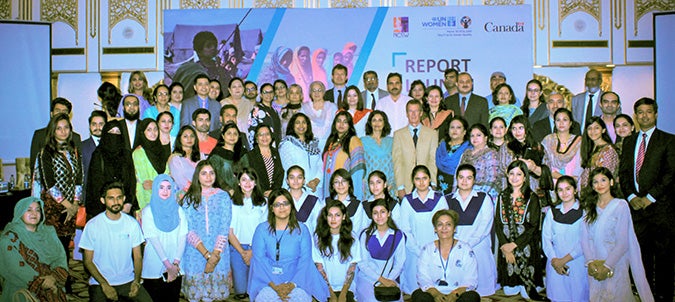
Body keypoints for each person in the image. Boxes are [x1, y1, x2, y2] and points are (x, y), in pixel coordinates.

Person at [618, 97, 675, 301]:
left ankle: (664, 296)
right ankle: (646, 295)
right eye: (640, 112)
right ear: (636, 115)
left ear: (656, 114)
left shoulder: (669, 140)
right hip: (636, 210)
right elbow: (623, 173)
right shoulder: (630, 141)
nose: (644, 116)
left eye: (648, 112)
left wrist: (649, 197)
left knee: (664, 258)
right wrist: (632, 197)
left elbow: (670, 174)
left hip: (661, 210)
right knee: (641, 258)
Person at [581, 167, 654, 302]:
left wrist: (607, 266)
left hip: (615, 263)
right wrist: (590, 262)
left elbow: (622, 242)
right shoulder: (588, 207)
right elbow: (584, 238)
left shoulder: (621, 205)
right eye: (595, 182)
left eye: (603, 180)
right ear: (592, 186)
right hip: (595, 263)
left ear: (611, 182)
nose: (600, 185)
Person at [248, 189, 330, 301]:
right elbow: (259, 260)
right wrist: (275, 286)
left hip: (298, 278)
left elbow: (305, 261)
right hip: (267, 279)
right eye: (277, 204)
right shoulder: (261, 229)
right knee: (266, 297)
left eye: (285, 203)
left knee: (299, 297)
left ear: (291, 206)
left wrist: (292, 285)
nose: (282, 207)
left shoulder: (302, 229)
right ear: (271, 208)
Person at [80, 182, 152, 302]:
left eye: (119, 198)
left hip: (127, 280)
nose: (116, 202)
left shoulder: (132, 223)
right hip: (100, 281)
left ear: (123, 199)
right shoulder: (92, 225)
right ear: (103, 200)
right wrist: (104, 284)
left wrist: (136, 281)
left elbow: (138, 257)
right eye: (111, 198)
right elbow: (88, 261)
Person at [32, 113, 83, 266]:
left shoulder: (74, 150)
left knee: (66, 244)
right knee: (53, 246)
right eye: (59, 128)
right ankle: (54, 281)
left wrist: (75, 204)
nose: (63, 131)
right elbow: (49, 184)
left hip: (71, 207)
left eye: (66, 127)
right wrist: (68, 206)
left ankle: (64, 277)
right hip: (53, 207)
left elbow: (79, 178)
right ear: (53, 131)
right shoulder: (45, 152)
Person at [179, 161, 232, 301]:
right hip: (195, 252)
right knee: (195, 296)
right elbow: (188, 230)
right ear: (198, 176)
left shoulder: (223, 197)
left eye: (211, 173)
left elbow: (224, 227)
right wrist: (207, 256)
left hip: (218, 252)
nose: (208, 177)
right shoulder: (189, 198)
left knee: (212, 296)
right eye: (204, 173)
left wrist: (214, 256)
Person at [0, 197, 68, 302]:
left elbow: (60, 258)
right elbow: (15, 269)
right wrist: (43, 284)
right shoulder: (9, 238)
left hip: (52, 283)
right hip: (23, 286)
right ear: (19, 212)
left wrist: (53, 278)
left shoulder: (48, 233)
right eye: (29, 210)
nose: (34, 213)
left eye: (38, 210)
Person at [495, 161, 545, 300]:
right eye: (511, 174)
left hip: (525, 245)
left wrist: (514, 245)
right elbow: (498, 223)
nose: (514, 177)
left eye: (519, 174)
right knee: (509, 292)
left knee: (526, 294)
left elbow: (533, 226)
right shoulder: (502, 196)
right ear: (507, 175)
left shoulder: (532, 198)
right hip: (506, 245)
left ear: (525, 177)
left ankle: (531, 283)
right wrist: (506, 247)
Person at [445, 164, 496, 296]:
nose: (464, 181)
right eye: (461, 177)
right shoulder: (447, 199)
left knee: (482, 288)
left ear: (474, 180)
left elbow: (485, 226)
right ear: (456, 179)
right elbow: (444, 224)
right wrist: (458, 244)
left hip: (478, 246)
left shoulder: (484, 198)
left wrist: (468, 243)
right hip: (455, 246)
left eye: (469, 178)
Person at [399, 165, 449, 294]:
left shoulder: (439, 199)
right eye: (417, 179)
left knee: (437, 286)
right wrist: (416, 249)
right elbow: (404, 228)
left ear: (430, 179)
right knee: (415, 289)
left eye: (424, 178)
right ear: (413, 181)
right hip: (413, 249)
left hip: (436, 248)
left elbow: (445, 225)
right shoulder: (407, 201)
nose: (421, 182)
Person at [412, 209, 481, 302]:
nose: (444, 228)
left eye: (448, 224)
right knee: (418, 295)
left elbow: (471, 278)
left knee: (472, 297)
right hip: (434, 292)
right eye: (440, 224)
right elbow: (423, 276)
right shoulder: (427, 249)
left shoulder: (465, 249)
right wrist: (436, 294)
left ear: (454, 228)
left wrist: (454, 294)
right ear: (435, 229)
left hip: (458, 293)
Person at [141, 175, 187, 302]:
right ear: (155, 189)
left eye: (168, 187)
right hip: (155, 264)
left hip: (176, 264)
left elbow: (183, 237)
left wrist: (175, 263)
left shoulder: (179, 211)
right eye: (161, 187)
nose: (165, 191)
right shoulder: (147, 211)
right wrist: (168, 265)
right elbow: (153, 239)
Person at [541, 176, 589, 302]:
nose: (564, 193)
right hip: (555, 262)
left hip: (577, 262)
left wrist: (565, 260)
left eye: (568, 189)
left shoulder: (584, 212)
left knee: (578, 296)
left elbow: (584, 241)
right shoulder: (552, 212)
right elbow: (546, 239)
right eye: (560, 190)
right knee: (558, 296)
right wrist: (554, 260)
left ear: (575, 190)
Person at [229, 168, 268, 300]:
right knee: (240, 292)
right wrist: (243, 252)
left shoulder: (263, 202)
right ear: (238, 183)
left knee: (257, 289)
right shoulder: (232, 203)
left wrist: (252, 251)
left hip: (258, 249)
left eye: (251, 179)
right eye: (243, 179)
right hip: (237, 248)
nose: (247, 183)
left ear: (256, 182)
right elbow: (230, 232)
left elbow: (265, 231)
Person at [86, 120, 137, 218]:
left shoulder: (126, 154)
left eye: (117, 132)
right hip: (102, 209)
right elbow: (94, 184)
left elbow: (131, 181)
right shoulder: (98, 154)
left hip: (124, 208)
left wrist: (128, 202)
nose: (114, 135)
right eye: (111, 132)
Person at [313, 200, 361, 301]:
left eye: (337, 215)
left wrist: (343, 293)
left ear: (344, 217)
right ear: (326, 217)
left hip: (347, 288)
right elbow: (319, 267)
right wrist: (330, 293)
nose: (333, 219)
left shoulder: (353, 238)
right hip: (324, 287)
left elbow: (352, 268)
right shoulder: (318, 238)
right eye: (330, 215)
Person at [393, 100, 439, 197]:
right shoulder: (398, 134)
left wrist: (433, 183)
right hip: (406, 185)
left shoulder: (432, 134)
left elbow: (433, 160)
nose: (413, 114)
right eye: (410, 111)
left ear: (421, 113)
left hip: (426, 184)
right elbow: (398, 162)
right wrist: (400, 187)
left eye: (416, 111)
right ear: (406, 114)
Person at [30, 97, 82, 175]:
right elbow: (34, 165)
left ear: (68, 115)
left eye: (64, 111)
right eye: (58, 111)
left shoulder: (75, 138)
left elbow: (79, 167)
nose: (60, 114)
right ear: (51, 113)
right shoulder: (39, 135)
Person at [173, 31, 231, 99]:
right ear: (199, 50)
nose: (213, 48)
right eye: (208, 46)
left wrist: (220, 70)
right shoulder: (192, 70)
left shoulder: (221, 70)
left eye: (214, 45)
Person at [498, 115, 549, 193]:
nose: (517, 131)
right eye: (514, 128)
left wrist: (533, 167)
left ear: (526, 128)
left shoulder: (537, 146)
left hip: (533, 189)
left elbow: (546, 171)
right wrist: (516, 166)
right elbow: (503, 169)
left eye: (520, 128)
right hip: (512, 188)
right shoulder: (506, 147)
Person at [322, 111, 366, 200]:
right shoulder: (331, 141)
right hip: (330, 186)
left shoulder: (353, 140)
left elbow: (358, 170)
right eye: (339, 121)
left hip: (345, 190)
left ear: (350, 125)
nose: (341, 124)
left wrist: (353, 195)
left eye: (345, 122)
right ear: (334, 124)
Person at [279, 113, 323, 196]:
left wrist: (316, 180)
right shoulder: (287, 143)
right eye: (297, 122)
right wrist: (305, 182)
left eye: (304, 122)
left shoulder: (314, 143)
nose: (301, 125)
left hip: (315, 189)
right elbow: (288, 168)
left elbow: (320, 165)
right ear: (292, 125)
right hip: (296, 188)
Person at [133, 118, 170, 212]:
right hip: (146, 201)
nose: (153, 133)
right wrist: (161, 185)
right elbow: (145, 184)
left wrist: (155, 184)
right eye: (149, 130)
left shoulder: (161, 149)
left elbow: (167, 174)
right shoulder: (138, 153)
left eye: (155, 129)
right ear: (143, 132)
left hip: (164, 198)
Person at [458, 124, 502, 201]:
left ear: (486, 138)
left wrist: (477, 196)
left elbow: (492, 178)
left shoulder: (491, 154)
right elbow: (458, 174)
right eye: (472, 136)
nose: (475, 138)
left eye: (478, 135)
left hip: (486, 194)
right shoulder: (466, 154)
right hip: (465, 193)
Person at [361, 111, 396, 199]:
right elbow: (361, 165)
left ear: (384, 123)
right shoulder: (363, 141)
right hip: (370, 186)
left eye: (380, 120)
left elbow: (395, 163)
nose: (377, 123)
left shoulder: (392, 141)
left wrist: (391, 182)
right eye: (374, 120)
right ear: (370, 123)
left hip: (388, 185)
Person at [240, 124, 284, 196]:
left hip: (274, 194)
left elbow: (280, 174)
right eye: (261, 134)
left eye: (267, 134)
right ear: (256, 138)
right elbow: (249, 176)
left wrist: (273, 191)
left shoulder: (276, 153)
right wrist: (263, 192)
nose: (264, 137)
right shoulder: (250, 156)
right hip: (257, 195)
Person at [542, 108, 583, 182]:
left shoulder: (578, 141)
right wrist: (561, 177)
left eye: (565, 120)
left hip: (573, 182)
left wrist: (571, 181)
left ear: (570, 123)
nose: (561, 123)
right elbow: (546, 165)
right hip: (553, 181)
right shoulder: (548, 140)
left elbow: (580, 165)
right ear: (554, 122)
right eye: (558, 120)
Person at [579, 117, 619, 191]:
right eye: (589, 128)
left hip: (600, 192)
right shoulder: (589, 148)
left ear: (603, 130)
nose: (593, 131)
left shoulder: (608, 150)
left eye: (596, 128)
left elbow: (604, 178)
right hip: (588, 193)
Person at [436, 116, 470, 194]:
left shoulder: (468, 149)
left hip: (460, 187)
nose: (454, 130)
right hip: (439, 185)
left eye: (458, 127)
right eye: (452, 127)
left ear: (464, 131)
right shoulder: (442, 146)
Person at [327, 169, 367, 234]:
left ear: (349, 184)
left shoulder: (356, 205)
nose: (340, 185)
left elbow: (357, 230)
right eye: (336, 182)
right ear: (333, 186)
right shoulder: (326, 203)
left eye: (344, 181)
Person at [300, 81, 338, 150]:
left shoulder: (332, 107)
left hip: (329, 145)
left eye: (319, 90)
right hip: (309, 146)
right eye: (314, 90)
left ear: (323, 92)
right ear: (310, 93)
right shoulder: (304, 108)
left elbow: (337, 127)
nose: (316, 93)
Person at [208, 122, 244, 193]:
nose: (232, 136)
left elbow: (248, 173)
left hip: (242, 192)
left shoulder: (243, 153)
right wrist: (228, 189)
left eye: (235, 134)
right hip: (221, 192)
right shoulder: (217, 153)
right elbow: (215, 176)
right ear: (223, 136)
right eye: (229, 133)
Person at [286, 165, 323, 233]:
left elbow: (319, 227)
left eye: (299, 177)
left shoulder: (313, 201)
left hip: (308, 241)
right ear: (287, 180)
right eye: (292, 177)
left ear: (304, 180)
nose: (296, 181)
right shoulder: (281, 199)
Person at [168, 126, 203, 192]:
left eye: (192, 136)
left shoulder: (202, 156)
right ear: (179, 139)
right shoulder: (176, 159)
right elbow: (181, 181)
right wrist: (197, 191)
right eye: (185, 136)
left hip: (203, 191)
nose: (189, 139)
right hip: (186, 194)